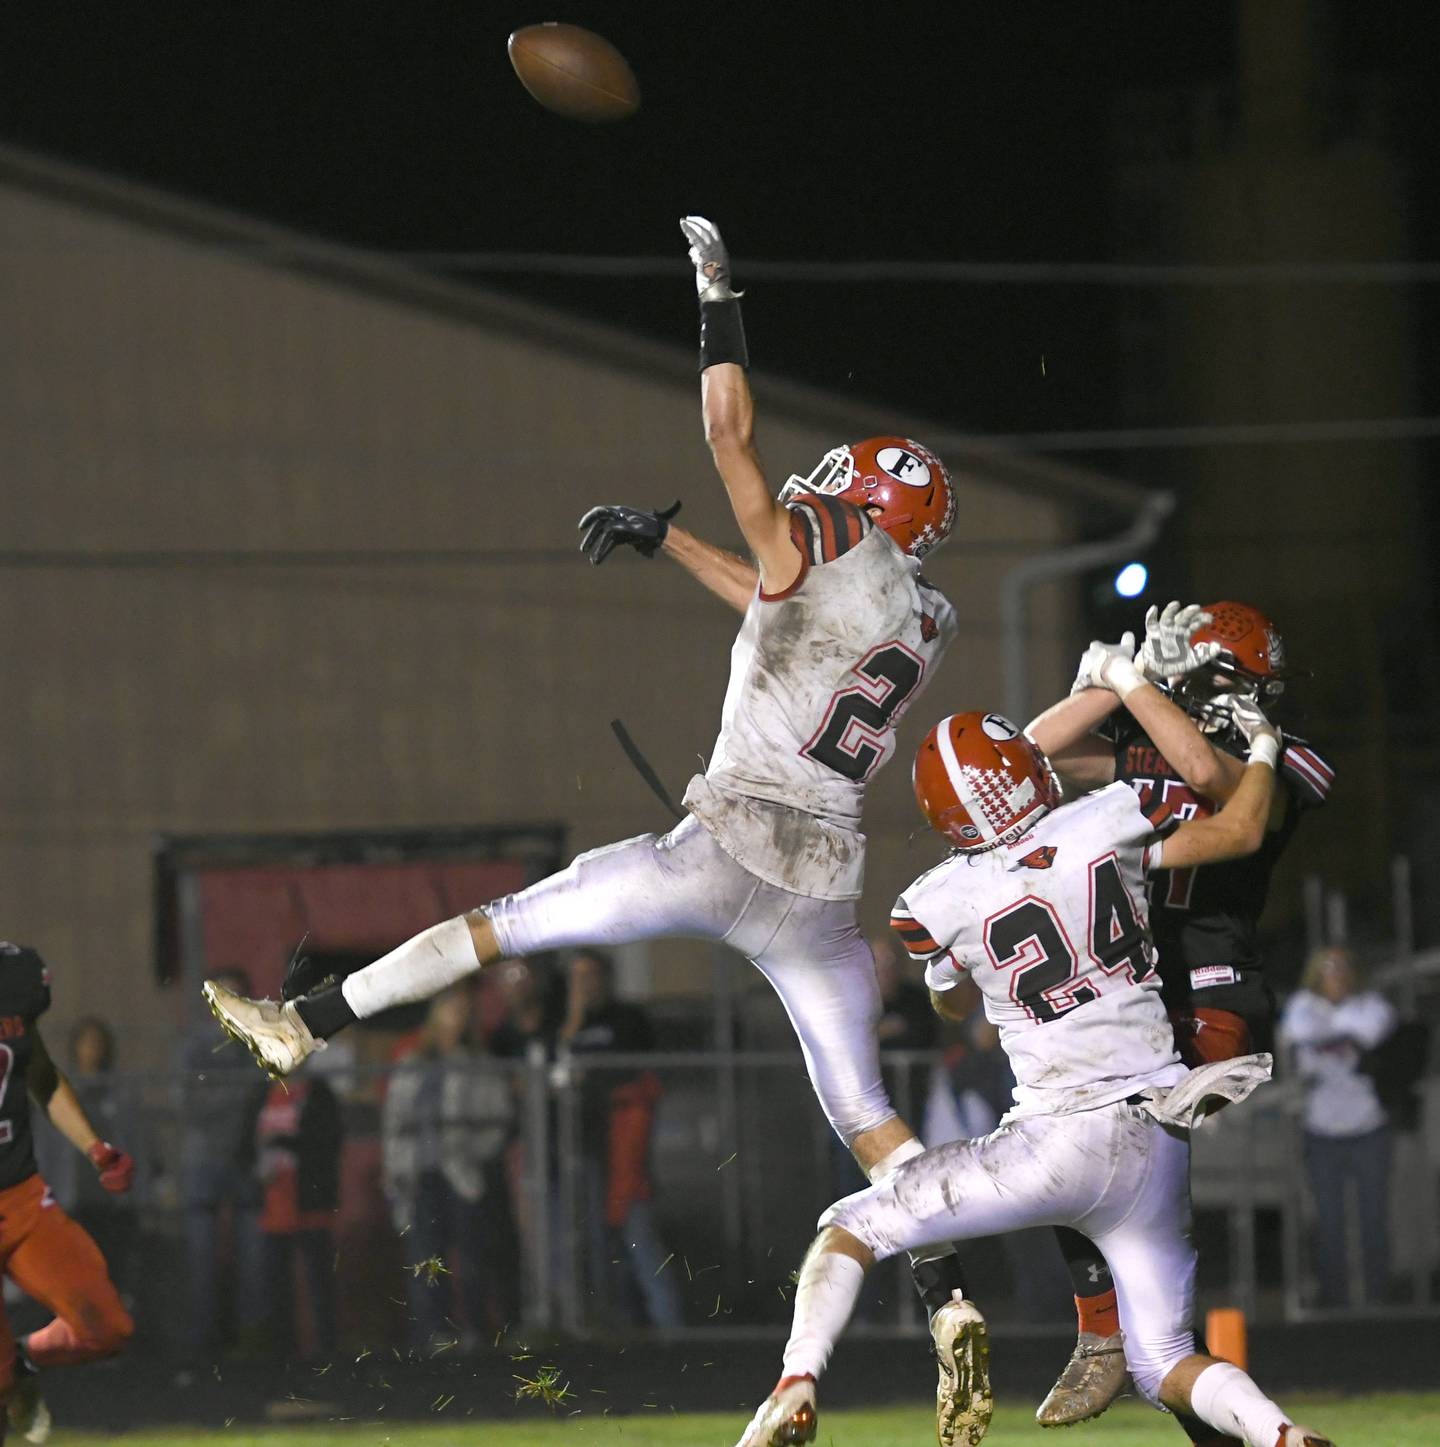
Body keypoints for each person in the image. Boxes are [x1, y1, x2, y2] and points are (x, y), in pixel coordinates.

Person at [203, 217, 988, 1430]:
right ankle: (947, 1297)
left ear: (866, 501)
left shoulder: (831, 544)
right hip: (824, 886)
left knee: (503, 925)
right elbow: (775, 602)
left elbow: (729, 435)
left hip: (722, 849)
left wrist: (718, 291)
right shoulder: (922, 612)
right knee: (865, 1114)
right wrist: (671, 536)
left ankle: (304, 1024)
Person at [736, 710, 1335, 1447]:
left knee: (850, 1224)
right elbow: (1240, 827)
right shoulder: (1108, 820)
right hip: (1157, 1130)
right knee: (1166, 1359)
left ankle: (795, 1380)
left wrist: (950, 971)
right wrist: (1268, 743)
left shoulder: (939, 899)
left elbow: (952, 999)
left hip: (1054, 1141)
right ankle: (1278, 1433)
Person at [1020, 601, 1335, 1429]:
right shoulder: (1141, 729)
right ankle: (1119, 1344)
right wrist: (1115, 679)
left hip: (1211, 993)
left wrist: (1133, 682)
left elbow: (1206, 777)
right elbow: (1018, 758)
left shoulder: (1279, 757)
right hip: (1136, 990)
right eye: (1244, 675)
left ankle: (1108, 1338)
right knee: (1071, 1148)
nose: (1262, 692)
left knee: (1100, 1156)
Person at [0, 944, 135, 1445]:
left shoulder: (13, 974)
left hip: (21, 1196)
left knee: (109, 1329)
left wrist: (94, 1146)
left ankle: (24, 1359)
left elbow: (37, 1070)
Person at [381, 988, 519, 1348]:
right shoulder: (411, 1062)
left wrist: (475, 1153)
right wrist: (394, 1165)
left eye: (464, 1011)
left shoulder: (481, 1063)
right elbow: (394, 1118)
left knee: (472, 1254)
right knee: (425, 1257)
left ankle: (475, 1328)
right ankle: (433, 1332)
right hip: (419, 1172)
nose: (457, 1018)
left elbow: (498, 1116)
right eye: (451, 1010)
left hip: (462, 1171)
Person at [559, 948, 681, 1330]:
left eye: (591, 977)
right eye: (578, 979)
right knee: (596, 1243)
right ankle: (614, 1327)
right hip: (580, 1146)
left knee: (638, 1235)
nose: (586, 986)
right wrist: (575, 1018)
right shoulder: (566, 1023)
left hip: (626, 1145)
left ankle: (671, 1329)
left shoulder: (627, 1019)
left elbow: (638, 1074)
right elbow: (555, 1064)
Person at [1279, 947, 1396, 1309]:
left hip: (1369, 1126)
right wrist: (1339, 1032)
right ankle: (1336, 1298)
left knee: (1373, 1217)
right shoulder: (1303, 1004)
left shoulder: (1370, 1004)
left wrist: (1331, 1032)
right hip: (1321, 1129)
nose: (1337, 977)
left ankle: (1378, 1296)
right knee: (1328, 1219)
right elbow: (1297, 1030)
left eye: (1343, 969)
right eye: (1329, 970)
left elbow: (1374, 1031)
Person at [176, 966, 266, 1364]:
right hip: (204, 1164)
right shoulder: (196, 1046)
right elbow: (191, 1105)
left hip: (247, 1162)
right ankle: (202, 1346)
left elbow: (270, 1092)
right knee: (202, 1260)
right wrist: (241, 1091)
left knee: (254, 1260)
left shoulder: (256, 1042)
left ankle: (251, 1345)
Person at [244, 1069, 342, 1360]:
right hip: (273, 1202)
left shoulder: (318, 1091)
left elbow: (328, 1140)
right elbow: (245, 1144)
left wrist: (284, 1143)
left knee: (318, 1279)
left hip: (309, 1200)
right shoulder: (261, 1092)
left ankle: (325, 1348)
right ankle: (280, 1350)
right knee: (275, 1281)